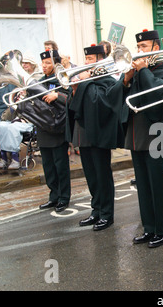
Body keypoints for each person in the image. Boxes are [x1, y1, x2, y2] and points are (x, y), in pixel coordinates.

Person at [123, 29, 163, 247]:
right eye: (138, 47)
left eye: (144, 47)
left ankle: (162, 230)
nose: (139, 51)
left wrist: (145, 70)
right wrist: (126, 79)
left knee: (157, 184)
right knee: (143, 185)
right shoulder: (136, 72)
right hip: (137, 136)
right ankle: (148, 228)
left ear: (156, 48)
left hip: (156, 134)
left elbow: (159, 96)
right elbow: (118, 100)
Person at [67, 44, 125, 230]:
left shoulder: (106, 80)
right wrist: (75, 88)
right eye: (86, 59)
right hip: (83, 133)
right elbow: (72, 104)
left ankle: (107, 214)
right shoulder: (86, 81)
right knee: (91, 176)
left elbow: (99, 103)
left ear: (100, 60)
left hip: (99, 135)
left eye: (90, 60)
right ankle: (96, 210)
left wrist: (84, 82)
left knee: (102, 175)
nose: (86, 63)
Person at [35, 49, 72, 213]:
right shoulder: (38, 82)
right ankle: (53, 196)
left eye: (48, 63)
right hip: (43, 129)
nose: (44, 66)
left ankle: (64, 197)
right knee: (48, 167)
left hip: (58, 129)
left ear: (55, 64)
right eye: (43, 63)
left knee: (60, 167)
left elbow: (71, 97)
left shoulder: (61, 78)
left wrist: (58, 95)